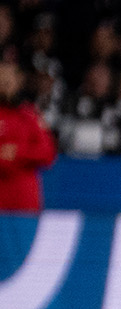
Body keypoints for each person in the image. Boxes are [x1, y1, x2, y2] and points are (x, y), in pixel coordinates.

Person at [0, 58, 57, 213]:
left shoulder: (29, 114)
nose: (4, 83)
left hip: (24, 205)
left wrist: (18, 152)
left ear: (18, 81)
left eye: (8, 79)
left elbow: (48, 154)